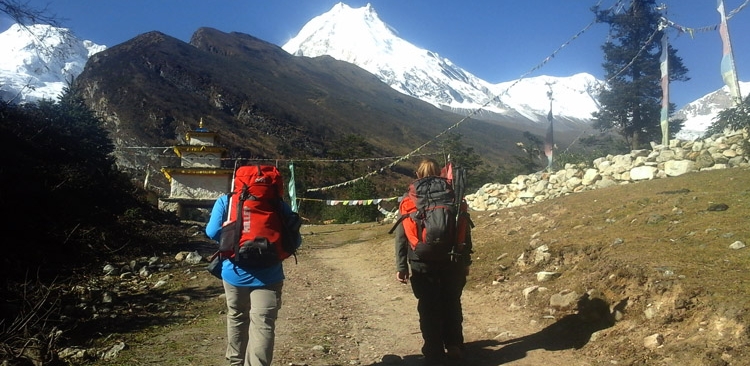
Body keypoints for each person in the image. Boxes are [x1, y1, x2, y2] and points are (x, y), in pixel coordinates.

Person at [394, 158, 472, 366]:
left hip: (421, 260)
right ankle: (454, 344)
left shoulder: (409, 198)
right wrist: (466, 260)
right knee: (451, 301)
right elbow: (465, 228)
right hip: (452, 257)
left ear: (417, 175)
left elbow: (402, 237)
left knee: (428, 305)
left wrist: (402, 267)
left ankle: (433, 350)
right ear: (439, 172)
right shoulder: (453, 195)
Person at [206, 193, 298, 366]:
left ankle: (235, 362)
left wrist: (234, 238)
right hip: (269, 275)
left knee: (237, 316)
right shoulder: (277, 202)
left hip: (234, 273)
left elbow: (211, 231)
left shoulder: (227, 200)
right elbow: (295, 240)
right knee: (263, 323)